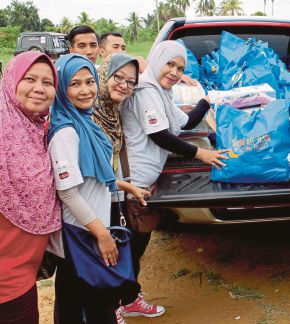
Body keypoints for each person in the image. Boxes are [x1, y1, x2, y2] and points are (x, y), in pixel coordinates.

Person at [119, 40, 228, 317]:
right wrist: (199, 154)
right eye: (170, 64)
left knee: (138, 242)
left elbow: (185, 123)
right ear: (157, 60)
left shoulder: (162, 92)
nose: (175, 72)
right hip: (133, 181)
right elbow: (160, 135)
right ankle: (119, 303)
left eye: (180, 68)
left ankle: (127, 298)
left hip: (146, 179)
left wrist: (207, 101)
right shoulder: (145, 91)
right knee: (130, 245)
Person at [48, 53, 137, 323]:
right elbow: (68, 192)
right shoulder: (66, 133)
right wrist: (102, 235)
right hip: (80, 233)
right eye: (74, 84)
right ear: (61, 88)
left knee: (83, 305)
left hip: (89, 226)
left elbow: (90, 178)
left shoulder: (84, 122)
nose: (85, 90)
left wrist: (122, 185)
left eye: (90, 81)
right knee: (90, 308)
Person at [92, 53, 165, 320]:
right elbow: (90, 171)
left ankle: (129, 299)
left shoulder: (114, 109)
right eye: (118, 77)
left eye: (130, 82)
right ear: (103, 76)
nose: (124, 85)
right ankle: (111, 310)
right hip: (97, 201)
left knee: (128, 250)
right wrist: (127, 187)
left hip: (117, 193)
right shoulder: (91, 113)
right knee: (107, 257)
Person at [0, 52, 61, 324]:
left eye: (48, 83)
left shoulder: (38, 130)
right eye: (30, 79)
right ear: (11, 82)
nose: (39, 88)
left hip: (25, 273)